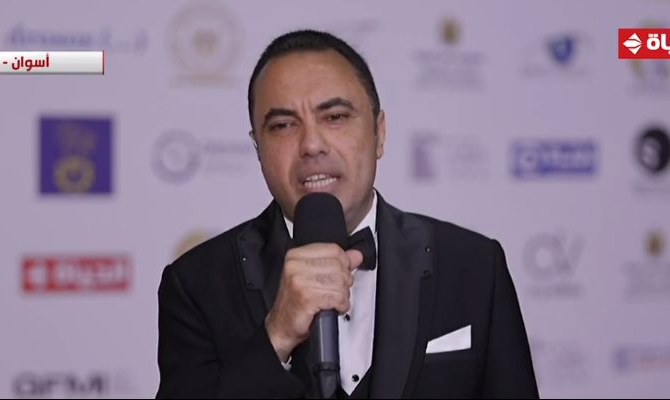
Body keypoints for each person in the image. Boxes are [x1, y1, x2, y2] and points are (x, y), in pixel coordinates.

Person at [156, 29, 538, 399]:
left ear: (379, 133)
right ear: (258, 148)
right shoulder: (196, 285)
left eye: (335, 117)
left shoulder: (474, 266)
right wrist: (277, 335)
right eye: (283, 125)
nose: (311, 144)